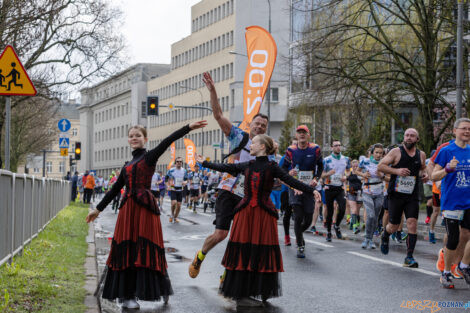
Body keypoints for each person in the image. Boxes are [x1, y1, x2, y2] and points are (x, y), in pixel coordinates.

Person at [85, 120, 207, 308]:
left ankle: (158, 287)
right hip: (128, 212)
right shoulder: (127, 165)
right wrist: (97, 209)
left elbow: (168, 140)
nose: (134, 138)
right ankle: (128, 295)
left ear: (145, 139)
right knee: (127, 251)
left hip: (144, 211)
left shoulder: (149, 157)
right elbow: (114, 190)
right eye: (131, 136)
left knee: (145, 249)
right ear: (128, 140)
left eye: (138, 135)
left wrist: (189, 127)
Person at [196, 134, 321, 306]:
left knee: (259, 253)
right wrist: (205, 163)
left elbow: (291, 181)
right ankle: (241, 295)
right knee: (244, 252)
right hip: (245, 214)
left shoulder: (272, 167)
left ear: (262, 147)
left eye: (253, 143)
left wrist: (311, 190)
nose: (251, 146)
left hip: (262, 217)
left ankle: (256, 291)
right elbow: (225, 167)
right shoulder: (249, 164)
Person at [188, 72, 269, 279]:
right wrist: (213, 90)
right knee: (221, 234)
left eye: (263, 126)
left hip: (247, 196)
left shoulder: (267, 148)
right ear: (250, 124)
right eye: (257, 124)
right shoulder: (238, 137)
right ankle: (200, 256)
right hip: (228, 190)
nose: (259, 127)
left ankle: (228, 273)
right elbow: (218, 115)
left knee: (242, 236)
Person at [378, 128, 427, 268]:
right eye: (407, 135)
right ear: (403, 138)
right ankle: (385, 235)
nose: (409, 138)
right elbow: (381, 166)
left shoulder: (421, 154)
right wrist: (396, 171)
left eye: (412, 136)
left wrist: (424, 175)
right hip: (396, 195)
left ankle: (409, 257)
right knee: (393, 225)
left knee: (412, 223)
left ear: (417, 139)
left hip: (412, 195)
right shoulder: (396, 152)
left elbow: (423, 167)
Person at [432, 118, 470, 288]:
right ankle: (446, 272)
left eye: (469, 129)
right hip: (452, 202)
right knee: (453, 239)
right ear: (455, 131)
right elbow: (433, 176)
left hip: (469, 201)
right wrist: (447, 169)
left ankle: (464, 265)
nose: (467, 131)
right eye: (463, 128)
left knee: (468, 235)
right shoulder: (446, 151)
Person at [282, 125, 323, 257]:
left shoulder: (315, 149)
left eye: (304, 132)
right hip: (295, 188)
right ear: (296, 135)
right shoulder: (291, 150)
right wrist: (289, 172)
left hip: (309, 188)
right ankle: (300, 245)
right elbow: (283, 169)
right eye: (299, 132)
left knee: (308, 217)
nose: (302, 135)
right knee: (298, 216)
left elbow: (321, 166)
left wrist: (316, 179)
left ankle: (299, 234)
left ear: (308, 135)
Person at [358, 144, 385, 249]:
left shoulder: (384, 163)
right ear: (372, 153)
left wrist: (381, 176)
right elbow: (356, 171)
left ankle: (371, 239)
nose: (378, 155)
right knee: (371, 215)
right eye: (376, 152)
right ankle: (367, 238)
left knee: (376, 218)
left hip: (379, 193)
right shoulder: (365, 161)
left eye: (380, 153)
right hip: (367, 192)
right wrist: (363, 175)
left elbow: (389, 178)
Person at [322, 140, 350, 241]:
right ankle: (329, 232)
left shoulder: (345, 159)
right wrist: (328, 173)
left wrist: (345, 177)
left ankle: (337, 226)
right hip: (329, 187)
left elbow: (348, 171)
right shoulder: (326, 160)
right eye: (336, 145)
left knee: (342, 208)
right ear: (332, 147)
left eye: (339, 145)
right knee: (330, 211)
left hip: (339, 188)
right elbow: (321, 175)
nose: (338, 147)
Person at [166, 157, 188, 223]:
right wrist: (168, 186)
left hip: (180, 190)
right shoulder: (171, 170)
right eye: (177, 161)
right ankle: (172, 215)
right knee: (174, 203)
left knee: (179, 205)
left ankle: (175, 217)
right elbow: (166, 179)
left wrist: (185, 182)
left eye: (180, 161)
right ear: (175, 163)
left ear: (182, 163)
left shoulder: (184, 171)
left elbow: (187, 179)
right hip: (173, 189)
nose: (179, 163)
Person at [346, 160, 363, 234]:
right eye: (354, 166)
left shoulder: (361, 173)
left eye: (357, 166)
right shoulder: (349, 172)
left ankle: (353, 222)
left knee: (358, 210)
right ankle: (355, 227)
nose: (355, 167)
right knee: (354, 209)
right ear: (351, 166)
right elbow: (345, 181)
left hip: (359, 192)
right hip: (351, 192)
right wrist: (345, 191)